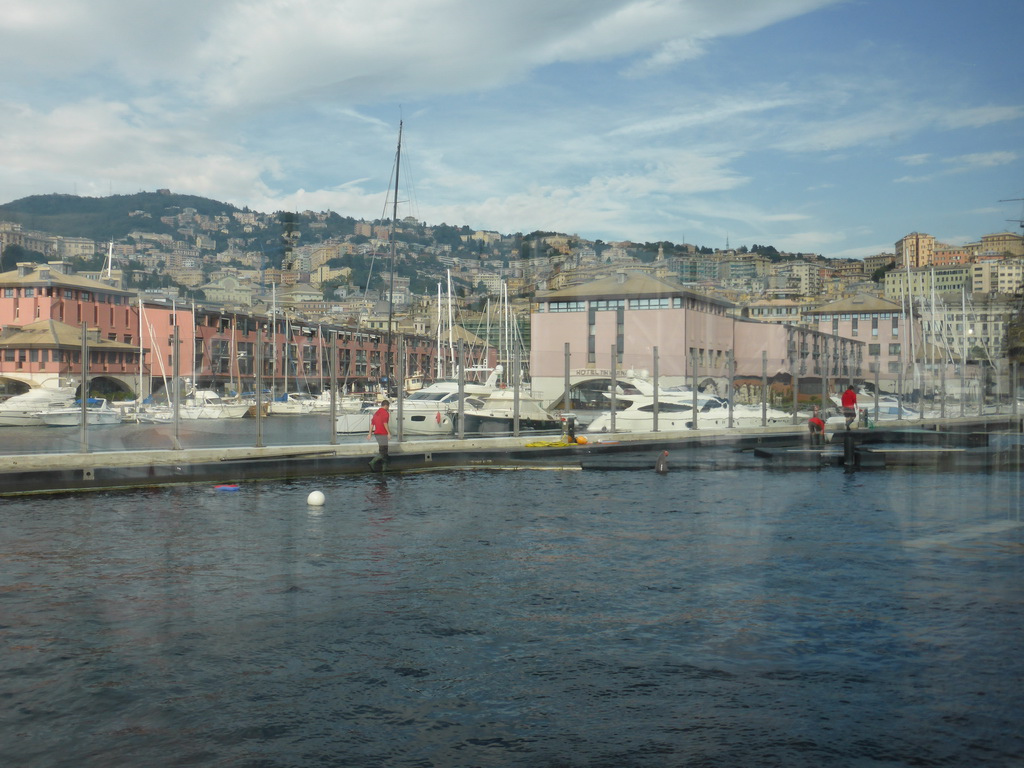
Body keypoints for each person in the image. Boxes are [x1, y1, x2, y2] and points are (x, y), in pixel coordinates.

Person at [368, 399, 391, 471]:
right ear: (386, 406)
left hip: (377, 434)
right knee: (383, 452)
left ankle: (384, 468)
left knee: (383, 451)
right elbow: (385, 423)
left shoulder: (376, 413)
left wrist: (370, 434)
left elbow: (372, 424)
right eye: (388, 406)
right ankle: (372, 462)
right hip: (383, 434)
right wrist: (389, 433)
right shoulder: (385, 413)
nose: (388, 408)